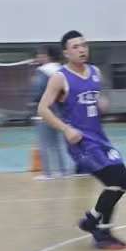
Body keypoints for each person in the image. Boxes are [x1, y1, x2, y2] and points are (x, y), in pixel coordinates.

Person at [38, 30, 126, 250]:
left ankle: (101, 231)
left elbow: (97, 98)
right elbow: (43, 109)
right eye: (75, 47)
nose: (81, 50)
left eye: (84, 45)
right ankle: (93, 223)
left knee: (117, 183)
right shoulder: (60, 78)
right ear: (66, 53)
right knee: (118, 180)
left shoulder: (95, 72)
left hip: (100, 138)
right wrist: (66, 129)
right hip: (80, 143)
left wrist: (102, 103)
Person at [31, 45, 74, 179]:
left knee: (44, 144)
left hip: (46, 112)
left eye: (40, 54)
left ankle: (47, 173)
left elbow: (37, 93)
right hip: (61, 113)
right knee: (59, 144)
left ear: (46, 56)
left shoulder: (42, 71)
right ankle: (64, 171)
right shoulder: (63, 70)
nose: (38, 57)